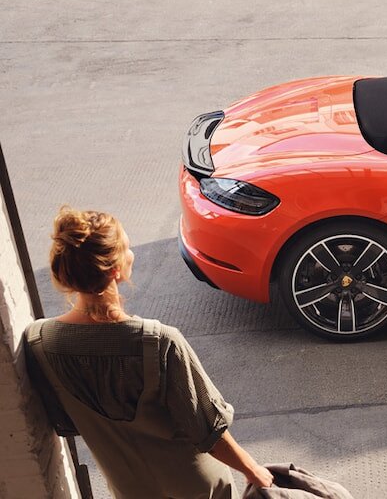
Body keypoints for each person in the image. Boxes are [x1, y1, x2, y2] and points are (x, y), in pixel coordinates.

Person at [24, 206, 274, 498]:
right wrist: (252, 469)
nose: (132, 254)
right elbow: (208, 430)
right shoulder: (160, 343)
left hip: (129, 487)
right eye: (127, 248)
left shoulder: (40, 342)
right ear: (116, 270)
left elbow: (65, 422)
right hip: (196, 487)